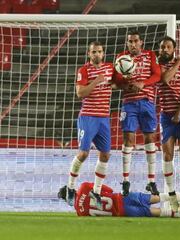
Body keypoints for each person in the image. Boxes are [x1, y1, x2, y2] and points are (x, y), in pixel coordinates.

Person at [65, 41, 116, 209]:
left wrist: (120, 83)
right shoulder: (84, 70)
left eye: (99, 51)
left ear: (103, 53)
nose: (96, 54)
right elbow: (80, 93)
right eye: (93, 52)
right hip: (88, 117)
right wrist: (97, 81)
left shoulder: (110, 68)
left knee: (106, 154)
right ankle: (70, 188)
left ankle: (96, 191)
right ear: (89, 54)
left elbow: (117, 82)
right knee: (83, 153)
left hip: (103, 118)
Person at [115, 30, 161, 196]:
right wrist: (124, 84)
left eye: (135, 41)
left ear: (141, 42)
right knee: (129, 139)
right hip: (129, 104)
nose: (133, 44)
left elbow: (157, 75)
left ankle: (151, 181)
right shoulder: (121, 57)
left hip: (147, 102)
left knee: (150, 139)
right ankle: (126, 181)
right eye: (130, 42)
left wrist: (143, 83)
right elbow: (116, 80)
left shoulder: (150, 55)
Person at [157, 36, 180, 213]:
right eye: (162, 47)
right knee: (167, 154)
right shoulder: (156, 65)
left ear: (174, 49)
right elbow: (164, 79)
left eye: (168, 47)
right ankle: (172, 195)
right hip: (165, 115)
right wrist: (177, 63)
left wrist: (179, 113)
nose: (165, 49)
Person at [58, 182, 180, 218]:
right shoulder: (84, 186)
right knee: (160, 196)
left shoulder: (80, 212)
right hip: (123, 197)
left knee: (157, 212)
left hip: (123, 211)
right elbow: (108, 190)